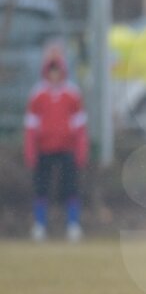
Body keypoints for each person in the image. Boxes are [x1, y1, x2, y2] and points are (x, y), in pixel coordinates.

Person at [24, 44, 88, 242]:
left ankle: (73, 225)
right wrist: (30, 152)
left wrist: (81, 150)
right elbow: (31, 127)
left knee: (70, 188)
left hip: (67, 149)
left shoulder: (72, 94)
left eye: (57, 70)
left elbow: (80, 126)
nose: (54, 75)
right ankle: (40, 226)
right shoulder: (37, 95)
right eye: (51, 71)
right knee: (41, 189)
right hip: (44, 150)